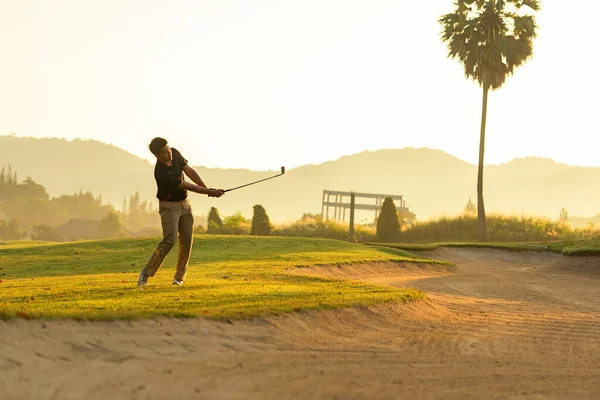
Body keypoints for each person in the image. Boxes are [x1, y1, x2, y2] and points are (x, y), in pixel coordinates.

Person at [138, 137, 224, 287]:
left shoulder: (175, 153)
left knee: (187, 240)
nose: (169, 153)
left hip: (185, 204)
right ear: (158, 156)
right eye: (165, 152)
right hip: (169, 207)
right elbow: (187, 185)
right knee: (169, 241)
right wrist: (208, 192)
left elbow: (189, 171)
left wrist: (208, 189)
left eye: (169, 149)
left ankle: (179, 278)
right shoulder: (161, 172)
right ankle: (146, 272)